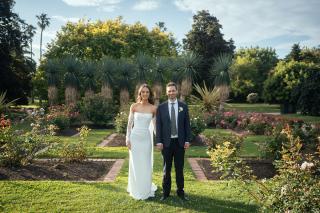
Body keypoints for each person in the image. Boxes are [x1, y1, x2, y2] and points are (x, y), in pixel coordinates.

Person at [156, 82, 191, 201]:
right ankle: (165, 193)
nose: (171, 92)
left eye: (173, 90)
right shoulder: (161, 107)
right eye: (169, 91)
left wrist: (187, 140)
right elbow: (158, 126)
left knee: (179, 169)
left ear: (177, 91)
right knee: (167, 169)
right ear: (166, 92)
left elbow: (187, 125)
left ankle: (180, 192)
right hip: (166, 143)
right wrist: (158, 141)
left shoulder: (183, 106)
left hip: (180, 142)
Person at [126, 83, 157, 200]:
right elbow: (129, 125)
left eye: (147, 92)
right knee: (135, 164)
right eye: (143, 92)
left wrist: (159, 140)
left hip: (146, 139)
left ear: (149, 94)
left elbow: (155, 127)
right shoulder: (134, 106)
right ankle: (135, 188)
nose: (145, 94)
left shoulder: (153, 108)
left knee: (146, 164)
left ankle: (145, 189)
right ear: (140, 93)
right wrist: (127, 139)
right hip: (134, 139)